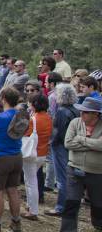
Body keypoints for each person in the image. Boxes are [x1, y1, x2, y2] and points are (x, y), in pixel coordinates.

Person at [61, 96, 102, 231]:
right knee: (71, 203)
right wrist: (92, 145)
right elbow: (68, 143)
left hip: (96, 172)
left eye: (86, 112)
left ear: (95, 113)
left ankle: (98, 226)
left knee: (98, 204)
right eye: (81, 111)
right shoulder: (75, 123)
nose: (81, 113)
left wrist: (80, 139)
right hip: (74, 168)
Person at [0, 87, 24, 232]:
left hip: (0, 157)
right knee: (13, 190)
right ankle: (16, 222)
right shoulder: (22, 115)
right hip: (16, 155)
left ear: (4, 99)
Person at [46, 84, 80, 217]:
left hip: (60, 146)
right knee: (70, 177)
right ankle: (69, 206)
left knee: (62, 178)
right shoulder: (75, 110)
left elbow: (57, 132)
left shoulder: (61, 111)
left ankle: (61, 207)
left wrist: (51, 143)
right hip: (71, 146)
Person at [21, 94, 52, 220]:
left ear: (34, 104)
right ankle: (30, 206)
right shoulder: (48, 118)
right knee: (32, 180)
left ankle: (33, 211)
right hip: (42, 152)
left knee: (30, 182)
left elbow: (25, 133)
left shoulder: (33, 119)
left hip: (31, 153)